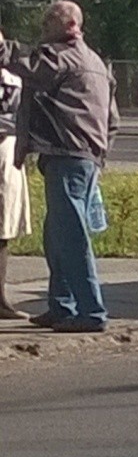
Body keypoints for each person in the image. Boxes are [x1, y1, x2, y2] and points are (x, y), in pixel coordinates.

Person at [0, 0, 119, 332]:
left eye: (48, 22)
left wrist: (1, 46)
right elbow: (113, 119)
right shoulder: (95, 62)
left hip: (68, 155)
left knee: (70, 236)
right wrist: (100, 152)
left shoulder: (63, 57)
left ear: (69, 26)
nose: (42, 28)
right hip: (83, 156)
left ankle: (91, 311)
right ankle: (61, 305)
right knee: (56, 235)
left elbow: (29, 65)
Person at [0, 67, 31, 318]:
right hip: (7, 150)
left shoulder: (14, 80)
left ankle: (0, 300)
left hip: (6, 151)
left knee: (3, 226)